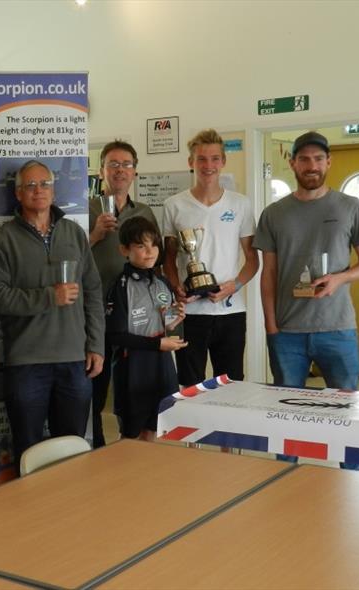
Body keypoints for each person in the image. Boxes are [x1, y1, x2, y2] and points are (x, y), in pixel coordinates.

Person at [0, 160, 104, 470]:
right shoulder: (3, 239)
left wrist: (96, 346)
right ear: (19, 193)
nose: (39, 191)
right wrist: (50, 296)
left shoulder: (74, 233)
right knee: (29, 451)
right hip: (27, 363)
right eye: (31, 186)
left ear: (54, 190)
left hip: (74, 360)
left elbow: (92, 292)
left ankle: (70, 513)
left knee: (73, 448)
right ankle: (31, 516)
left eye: (45, 184)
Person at [253, 131, 359, 390]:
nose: (312, 166)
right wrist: (271, 326)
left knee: (344, 409)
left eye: (318, 159)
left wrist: (340, 278)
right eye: (304, 159)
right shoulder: (273, 214)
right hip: (287, 332)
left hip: (337, 328)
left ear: (328, 162)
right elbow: (269, 273)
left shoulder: (351, 207)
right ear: (292, 163)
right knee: (287, 411)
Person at [162, 129, 259, 386]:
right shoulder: (174, 205)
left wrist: (234, 286)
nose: (208, 165)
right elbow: (168, 259)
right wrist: (176, 287)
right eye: (202, 159)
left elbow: (252, 259)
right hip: (189, 312)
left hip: (231, 311)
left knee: (231, 385)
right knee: (190, 386)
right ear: (191, 162)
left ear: (223, 162)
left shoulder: (241, 204)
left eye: (215, 159)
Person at [89, 139, 160, 448]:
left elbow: (154, 261)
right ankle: (97, 447)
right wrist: (94, 234)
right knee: (96, 386)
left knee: (133, 387)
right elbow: (70, 258)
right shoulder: (85, 208)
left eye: (126, 165)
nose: (120, 171)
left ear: (135, 172)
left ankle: (129, 445)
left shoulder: (143, 211)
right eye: (113, 164)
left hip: (136, 318)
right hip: (96, 314)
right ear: (101, 170)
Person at [106, 217, 187, 440]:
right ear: (124, 250)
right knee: (132, 432)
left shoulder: (163, 282)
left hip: (161, 365)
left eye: (153, 244)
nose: (150, 251)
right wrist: (158, 343)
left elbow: (163, 322)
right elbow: (116, 335)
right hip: (133, 364)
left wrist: (174, 320)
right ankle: (127, 474)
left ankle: (148, 473)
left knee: (154, 426)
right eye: (141, 246)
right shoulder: (121, 286)